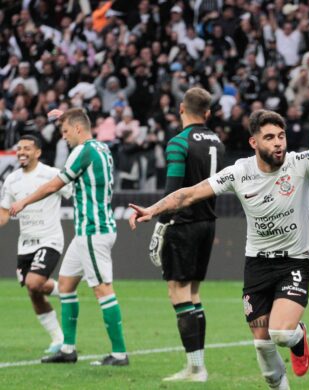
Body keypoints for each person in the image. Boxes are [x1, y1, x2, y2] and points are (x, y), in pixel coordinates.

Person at [129, 90, 309, 389]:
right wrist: (152, 210)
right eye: (270, 137)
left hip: (295, 260)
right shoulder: (238, 172)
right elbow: (190, 193)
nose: (278, 142)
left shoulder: (299, 164)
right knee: (262, 344)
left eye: (281, 136)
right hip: (257, 265)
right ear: (254, 143)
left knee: (281, 333)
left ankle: (298, 337)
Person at [9, 108, 129, 366]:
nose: (63, 137)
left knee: (102, 288)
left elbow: (55, 184)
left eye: (65, 131)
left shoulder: (82, 151)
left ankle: (119, 353)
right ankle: (67, 349)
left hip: (93, 230)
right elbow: (79, 119)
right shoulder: (101, 148)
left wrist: (24, 202)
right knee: (65, 285)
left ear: (77, 129)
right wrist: (66, 115)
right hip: (87, 231)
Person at [149, 87, 225, 382]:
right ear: (207, 113)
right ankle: (197, 365)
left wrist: (161, 223)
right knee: (192, 293)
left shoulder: (179, 142)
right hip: (208, 222)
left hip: (183, 223)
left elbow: (173, 191)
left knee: (177, 291)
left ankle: (196, 368)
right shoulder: (217, 141)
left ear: (181, 108)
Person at [0, 135, 70, 354]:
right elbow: (3, 214)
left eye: (27, 149)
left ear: (38, 152)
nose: (21, 152)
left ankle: (67, 292)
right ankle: (58, 336)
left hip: (49, 239)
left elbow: (73, 192)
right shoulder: (11, 180)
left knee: (33, 282)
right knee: (34, 291)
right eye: (19, 148)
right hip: (25, 244)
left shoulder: (51, 174)